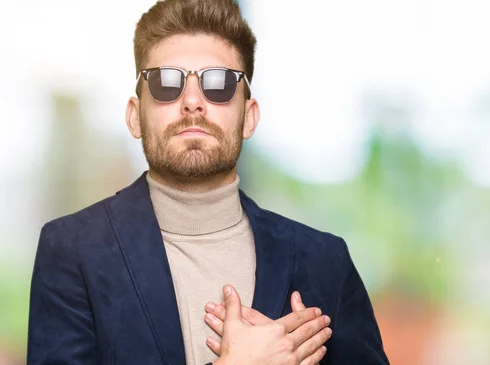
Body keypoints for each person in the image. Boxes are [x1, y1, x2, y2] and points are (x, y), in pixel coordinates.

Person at [27, 0, 389, 364]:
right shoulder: (72, 251)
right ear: (135, 117)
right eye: (167, 82)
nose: (193, 102)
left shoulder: (325, 262)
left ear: (249, 117)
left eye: (219, 83)